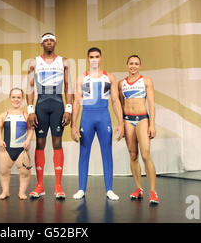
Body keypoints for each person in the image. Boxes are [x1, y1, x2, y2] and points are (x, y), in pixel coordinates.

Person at [71, 48, 125, 200]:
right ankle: (81, 189)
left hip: (103, 116)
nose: (94, 59)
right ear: (88, 59)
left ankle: (109, 189)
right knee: (84, 153)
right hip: (87, 117)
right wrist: (73, 125)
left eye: (97, 56)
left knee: (107, 153)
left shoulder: (110, 77)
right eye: (91, 57)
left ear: (101, 58)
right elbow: (76, 101)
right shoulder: (82, 77)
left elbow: (115, 101)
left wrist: (120, 123)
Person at [26, 33, 73, 199]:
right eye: (45, 40)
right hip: (41, 104)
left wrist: (69, 109)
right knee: (39, 143)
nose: (48, 42)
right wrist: (30, 110)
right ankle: (40, 186)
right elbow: (30, 87)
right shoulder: (34, 62)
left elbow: (68, 86)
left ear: (55, 42)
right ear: (41, 44)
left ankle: (58, 186)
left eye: (51, 40)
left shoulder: (64, 61)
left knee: (57, 142)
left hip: (58, 103)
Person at [118, 55, 159, 204]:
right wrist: (122, 124)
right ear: (127, 65)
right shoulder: (121, 83)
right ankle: (139, 189)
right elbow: (121, 106)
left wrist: (152, 124)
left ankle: (153, 192)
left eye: (136, 64)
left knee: (146, 154)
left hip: (142, 119)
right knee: (133, 155)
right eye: (131, 63)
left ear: (140, 66)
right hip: (128, 120)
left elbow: (152, 103)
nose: (133, 66)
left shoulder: (146, 81)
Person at [0, 88, 34, 200]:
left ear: (22, 99)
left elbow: (31, 129)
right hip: (6, 149)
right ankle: (5, 191)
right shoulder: (4, 115)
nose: (16, 99)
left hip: (21, 150)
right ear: (10, 98)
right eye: (13, 97)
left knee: (25, 173)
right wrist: (0, 140)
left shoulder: (25, 115)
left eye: (18, 97)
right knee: (4, 172)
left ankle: (21, 192)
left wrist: (28, 141)